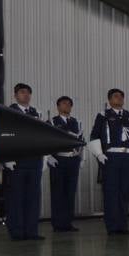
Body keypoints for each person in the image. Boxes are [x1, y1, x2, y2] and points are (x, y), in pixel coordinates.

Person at [89, 88, 129, 236]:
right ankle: (112, 226)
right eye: (116, 96)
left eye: (122, 96)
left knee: (124, 192)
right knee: (111, 192)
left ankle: (122, 225)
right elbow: (94, 136)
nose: (120, 98)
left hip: (127, 157)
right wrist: (99, 154)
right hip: (111, 157)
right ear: (109, 100)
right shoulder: (103, 115)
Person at [4, 82, 44, 240]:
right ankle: (17, 231)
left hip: (34, 161)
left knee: (33, 198)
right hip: (17, 162)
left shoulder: (36, 113)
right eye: (22, 92)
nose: (25, 95)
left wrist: (45, 157)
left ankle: (32, 231)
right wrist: (7, 158)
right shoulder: (8, 112)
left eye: (28, 92)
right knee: (16, 198)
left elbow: (43, 137)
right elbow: (4, 134)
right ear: (15, 95)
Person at [46, 96, 82, 233]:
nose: (67, 105)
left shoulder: (76, 122)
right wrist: (48, 156)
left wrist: (80, 158)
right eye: (63, 103)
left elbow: (81, 140)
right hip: (58, 161)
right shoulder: (52, 121)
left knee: (70, 192)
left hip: (73, 160)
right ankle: (58, 224)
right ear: (58, 106)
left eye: (69, 104)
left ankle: (67, 223)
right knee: (58, 193)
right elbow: (45, 139)